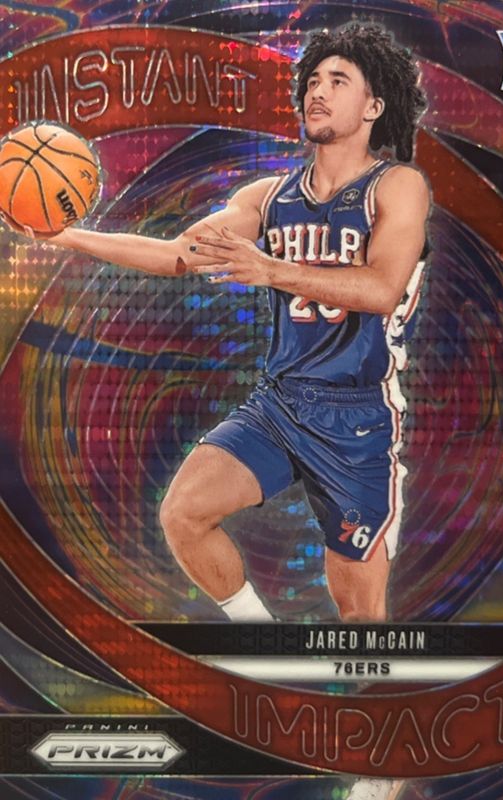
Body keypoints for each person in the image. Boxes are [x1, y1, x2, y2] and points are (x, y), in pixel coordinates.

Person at [6, 22, 428, 800]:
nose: (317, 91)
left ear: (373, 106)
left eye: (337, 80)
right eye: (313, 80)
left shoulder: (396, 187)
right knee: (184, 513)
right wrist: (69, 238)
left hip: (357, 419)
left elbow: (379, 287)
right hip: (282, 402)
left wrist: (270, 269)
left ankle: (379, 764)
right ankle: (264, 648)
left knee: (359, 614)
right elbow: (177, 254)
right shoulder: (267, 198)